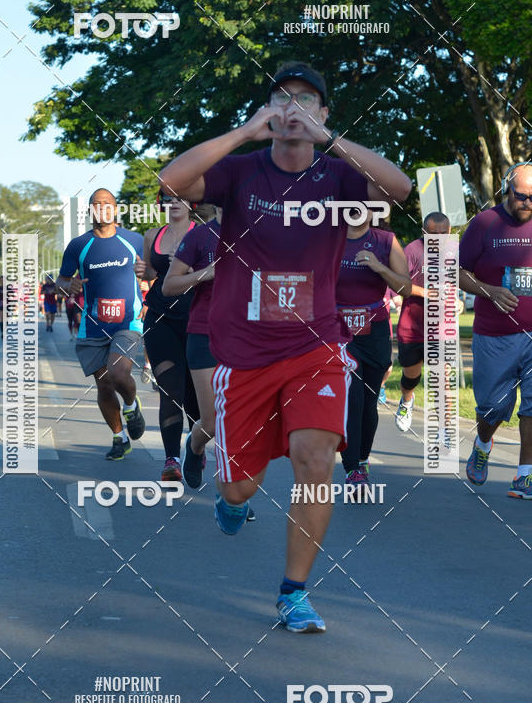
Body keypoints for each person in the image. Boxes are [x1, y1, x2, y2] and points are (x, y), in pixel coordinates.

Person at [159, 61, 411, 632]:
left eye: (305, 101)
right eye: (281, 100)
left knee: (315, 458)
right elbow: (172, 182)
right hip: (244, 352)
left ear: (322, 113)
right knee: (238, 485)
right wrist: (245, 133)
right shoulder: (242, 172)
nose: (291, 109)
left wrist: (333, 143)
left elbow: (399, 188)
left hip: (316, 344)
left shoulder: (338, 178)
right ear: (267, 114)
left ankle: (294, 593)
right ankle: (231, 499)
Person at [162, 206, 258, 520]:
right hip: (204, 334)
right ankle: (195, 446)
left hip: (247, 337)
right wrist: (206, 273)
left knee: (239, 421)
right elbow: (169, 285)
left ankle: (234, 497)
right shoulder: (199, 237)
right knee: (215, 418)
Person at [57, 188, 146, 460]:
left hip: (128, 322)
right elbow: (61, 282)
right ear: (90, 211)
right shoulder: (78, 245)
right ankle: (119, 438)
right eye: (97, 204)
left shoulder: (135, 241)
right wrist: (67, 286)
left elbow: (152, 275)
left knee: (118, 373)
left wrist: (149, 290)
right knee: (105, 385)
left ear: (116, 209)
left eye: (107, 204)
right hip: (93, 325)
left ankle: (131, 405)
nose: (102, 208)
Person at [460, 163, 532, 496]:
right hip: (495, 334)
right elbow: (457, 272)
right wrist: (490, 290)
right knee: (492, 407)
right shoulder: (484, 224)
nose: (529, 203)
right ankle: (483, 443)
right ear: (506, 189)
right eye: (522, 196)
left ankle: (525, 473)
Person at [336, 208, 410, 486]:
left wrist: (380, 268)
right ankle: (351, 467)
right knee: (352, 399)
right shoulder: (330, 238)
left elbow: (405, 287)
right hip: (340, 330)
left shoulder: (386, 241)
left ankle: (362, 460)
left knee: (369, 402)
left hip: (375, 330)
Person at [134, 192, 200, 482]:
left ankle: (195, 451)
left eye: (181, 197)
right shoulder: (152, 235)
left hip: (197, 318)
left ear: (192, 203)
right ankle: (171, 460)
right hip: (160, 317)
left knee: (195, 395)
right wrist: (143, 270)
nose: (175, 202)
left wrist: (189, 265)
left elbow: (220, 271)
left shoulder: (205, 234)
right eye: (168, 197)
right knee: (169, 390)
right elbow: (150, 272)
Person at [393, 212, 452, 432]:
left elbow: (462, 279)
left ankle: (445, 430)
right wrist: (426, 293)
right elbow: (399, 284)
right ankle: (407, 401)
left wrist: (457, 301)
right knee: (411, 377)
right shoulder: (411, 251)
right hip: (412, 327)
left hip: (440, 329)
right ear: (424, 232)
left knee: (442, 380)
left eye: (443, 234)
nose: (438, 238)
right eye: (433, 234)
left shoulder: (454, 251)